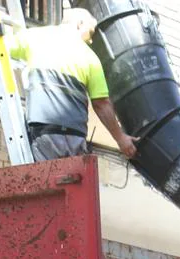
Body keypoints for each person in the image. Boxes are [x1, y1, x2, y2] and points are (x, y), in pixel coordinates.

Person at [8, 8, 137, 162]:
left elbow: (1, 47)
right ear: (79, 24)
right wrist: (120, 138)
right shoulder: (91, 58)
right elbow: (102, 104)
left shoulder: (34, 37)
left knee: (43, 183)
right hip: (75, 137)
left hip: (44, 132)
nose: (91, 40)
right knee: (72, 184)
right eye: (90, 32)